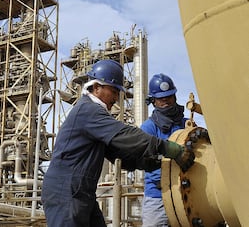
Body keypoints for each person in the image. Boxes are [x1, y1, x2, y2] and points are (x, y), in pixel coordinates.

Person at [41, 60, 194, 227]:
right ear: (96, 87)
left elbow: (118, 154)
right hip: (66, 192)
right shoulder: (88, 110)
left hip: (82, 192)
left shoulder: (94, 114)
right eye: (113, 91)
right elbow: (124, 135)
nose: (116, 98)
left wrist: (151, 163)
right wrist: (167, 148)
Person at [141, 73, 188, 227]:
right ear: (153, 101)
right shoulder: (148, 128)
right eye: (161, 98)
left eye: (169, 96)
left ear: (174, 97)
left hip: (189, 193)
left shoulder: (187, 124)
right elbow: (148, 163)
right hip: (158, 196)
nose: (166, 101)